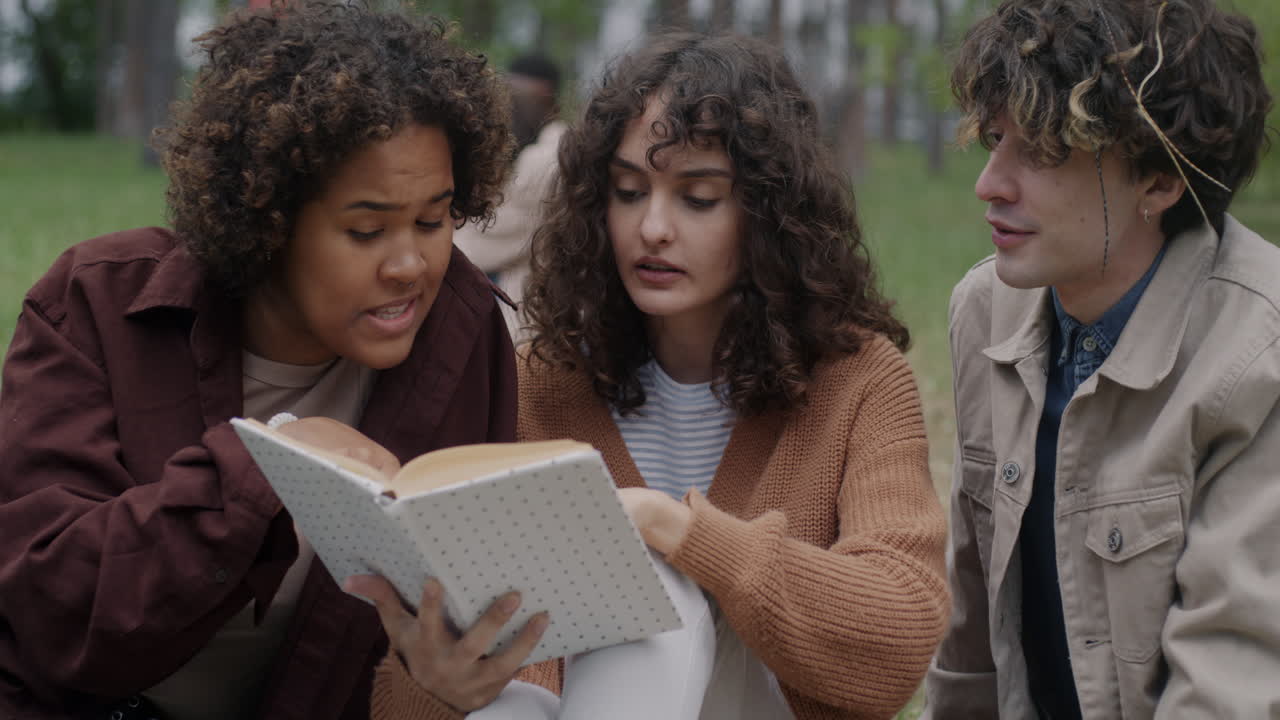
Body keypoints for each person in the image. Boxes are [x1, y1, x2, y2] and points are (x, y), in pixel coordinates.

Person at [354, 31, 951, 720]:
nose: (653, 228)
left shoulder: (860, 381)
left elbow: (898, 642)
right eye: (629, 191)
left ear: (770, 213)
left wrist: (672, 529)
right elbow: (420, 699)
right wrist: (435, 683)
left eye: (698, 198)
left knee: (666, 594)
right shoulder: (540, 381)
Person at [0, 3, 516, 719]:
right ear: (266, 218)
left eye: (434, 221)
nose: (411, 265)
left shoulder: (465, 326)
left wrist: (442, 684)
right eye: (366, 229)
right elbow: (55, 611)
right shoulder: (94, 301)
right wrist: (270, 462)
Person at [923, 1, 1276, 718]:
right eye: (994, 139)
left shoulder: (1257, 354)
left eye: (1045, 150)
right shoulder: (984, 310)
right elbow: (969, 653)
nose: (989, 183)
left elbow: (1227, 686)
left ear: (1159, 182)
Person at [453, 54, 567, 341]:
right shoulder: (525, 150)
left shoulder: (550, 162)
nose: (516, 97)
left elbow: (481, 240)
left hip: (521, 327)